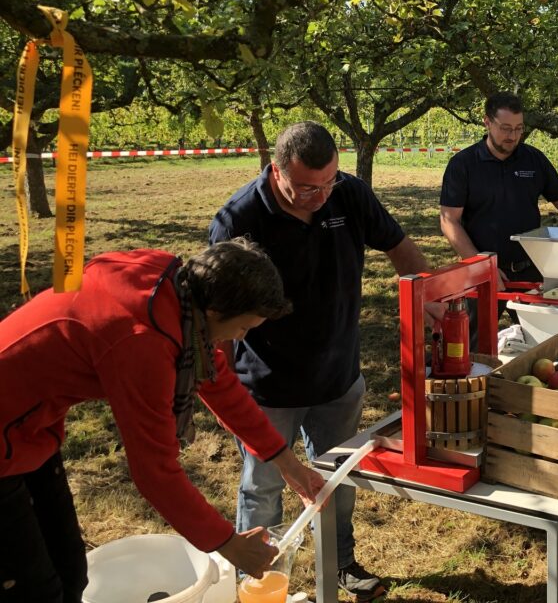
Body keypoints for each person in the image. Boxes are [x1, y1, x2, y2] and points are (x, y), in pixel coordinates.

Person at [0, 239, 325, 603]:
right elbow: (154, 472)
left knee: (70, 570)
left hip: (31, 432)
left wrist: (287, 462)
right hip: (5, 441)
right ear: (216, 310)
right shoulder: (142, 341)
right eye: (243, 328)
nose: (240, 338)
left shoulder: (178, 291)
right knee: (33, 590)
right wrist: (228, 544)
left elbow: (220, 385)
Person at [210, 121, 438, 602]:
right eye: (306, 187)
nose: (320, 195)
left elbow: (400, 249)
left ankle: (340, 564)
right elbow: (217, 316)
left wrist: (434, 302)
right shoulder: (239, 218)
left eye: (328, 182)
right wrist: (222, 389)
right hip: (267, 389)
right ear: (275, 171)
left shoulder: (348, 194)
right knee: (263, 488)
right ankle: (259, 582)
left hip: (339, 377)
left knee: (336, 484)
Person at [439, 93, 558, 336]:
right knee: (472, 344)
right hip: (482, 273)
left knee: (541, 339)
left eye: (519, 128)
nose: (513, 136)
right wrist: (481, 265)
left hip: (530, 270)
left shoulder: (533, 159)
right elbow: (449, 221)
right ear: (487, 122)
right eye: (506, 128)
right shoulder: (463, 165)